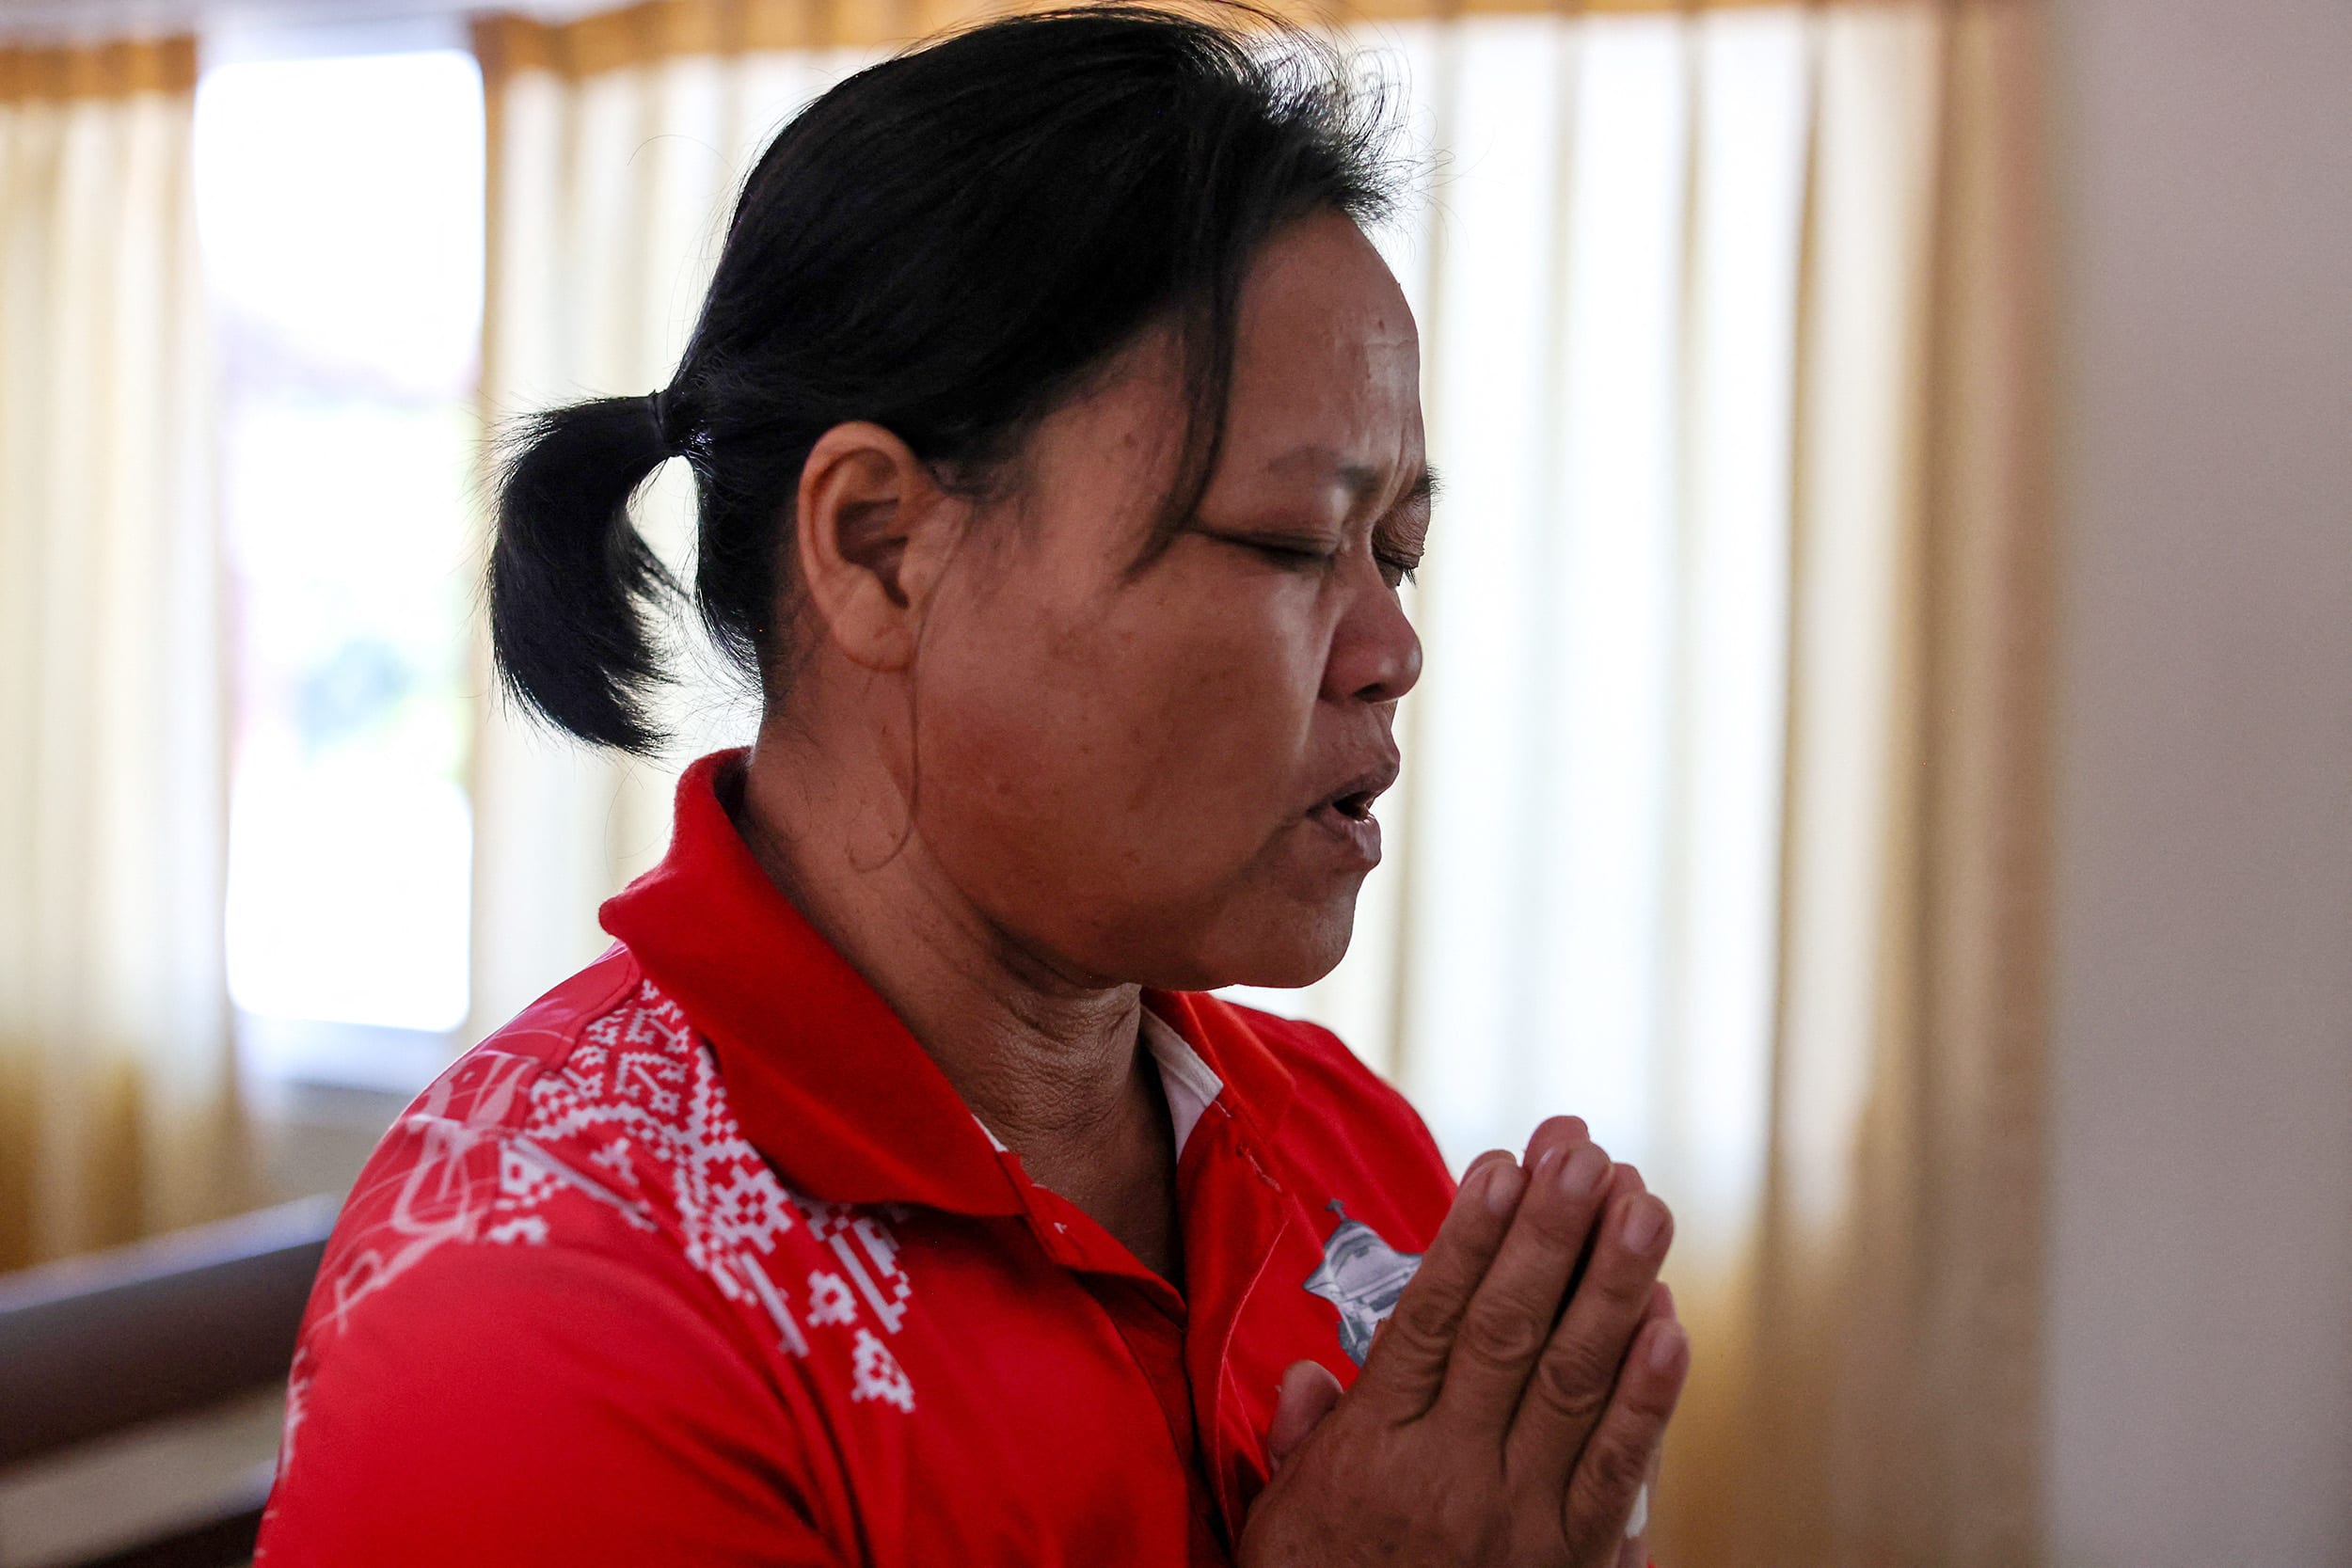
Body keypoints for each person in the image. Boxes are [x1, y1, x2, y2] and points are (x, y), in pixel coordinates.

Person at [254, 8, 1688, 1565]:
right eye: (1289, 545)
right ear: (881, 547)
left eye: (1395, 555)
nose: (1392, 650)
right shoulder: (539, 1299)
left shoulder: (1333, 1142)